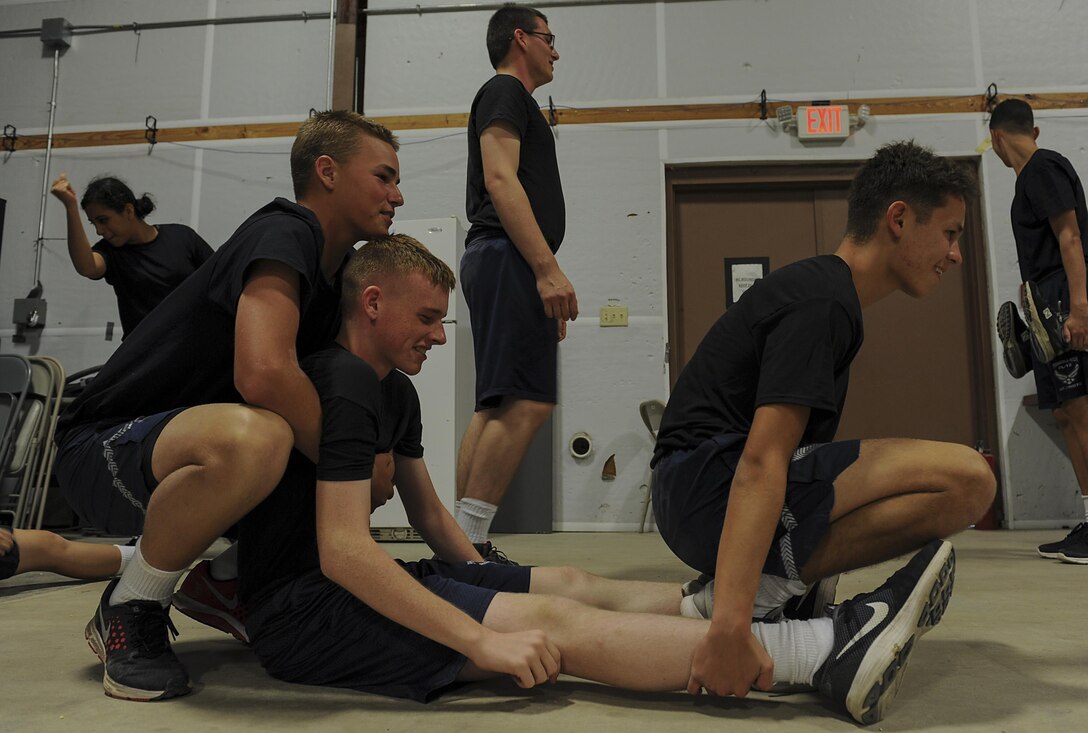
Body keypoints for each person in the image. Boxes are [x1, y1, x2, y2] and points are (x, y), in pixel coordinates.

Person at [236, 234, 957, 725]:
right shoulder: (341, 381)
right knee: (556, 628)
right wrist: (480, 639)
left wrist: (480, 576)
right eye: (426, 317)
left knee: (569, 583)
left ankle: (728, 608)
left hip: (346, 584)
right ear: (371, 304)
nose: (437, 332)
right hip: (306, 615)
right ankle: (820, 652)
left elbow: (427, 515)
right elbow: (342, 549)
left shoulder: (393, 390)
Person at [51, 110, 405, 702]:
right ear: (327, 172)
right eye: (384, 177)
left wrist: (380, 449)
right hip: (103, 447)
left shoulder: (335, 272)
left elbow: (342, 385)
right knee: (262, 434)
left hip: (182, 447)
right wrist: (353, 463)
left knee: (304, 426)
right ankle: (132, 603)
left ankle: (227, 579)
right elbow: (263, 373)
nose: (397, 195)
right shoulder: (285, 232)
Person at [649, 141, 995, 708]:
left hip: (694, 490)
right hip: (700, 486)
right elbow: (762, 460)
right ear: (900, 218)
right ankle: (759, 603)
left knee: (947, 481)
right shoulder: (822, 301)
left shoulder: (831, 299)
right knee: (966, 479)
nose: (955, 253)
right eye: (951, 233)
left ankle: (776, 592)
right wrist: (731, 630)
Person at [456, 6, 577, 550]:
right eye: (550, 38)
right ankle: (469, 545)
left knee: (498, 402)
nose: (556, 50)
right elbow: (501, 179)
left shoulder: (509, 98)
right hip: (508, 255)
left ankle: (459, 545)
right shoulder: (505, 91)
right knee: (527, 400)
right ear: (521, 38)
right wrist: (546, 270)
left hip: (504, 259)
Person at [989, 98, 1088, 564]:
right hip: (1046, 306)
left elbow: (1070, 237)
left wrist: (1080, 308)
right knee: (1067, 415)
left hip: (1066, 303)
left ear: (996, 138)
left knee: (1082, 412)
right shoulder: (1027, 179)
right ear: (1035, 129)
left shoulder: (1044, 170)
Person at [50, 174, 213, 338]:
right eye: (94, 223)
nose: (99, 230)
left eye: (103, 220)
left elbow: (220, 278)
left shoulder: (182, 237)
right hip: (146, 352)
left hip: (195, 344)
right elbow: (87, 267)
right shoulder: (111, 252)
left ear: (128, 210)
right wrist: (70, 206)